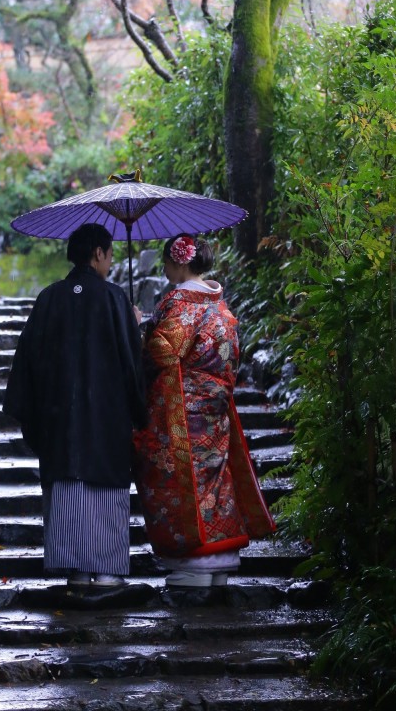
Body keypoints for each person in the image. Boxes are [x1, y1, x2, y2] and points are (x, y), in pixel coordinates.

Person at [3, 222, 146, 595]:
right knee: (104, 488)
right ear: (98, 253)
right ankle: (108, 572)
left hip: (60, 418)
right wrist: (133, 327)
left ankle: (77, 572)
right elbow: (132, 363)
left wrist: (36, 414)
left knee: (68, 486)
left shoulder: (50, 297)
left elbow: (27, 361)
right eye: (110, 254)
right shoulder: (114, 298)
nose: (111, 262)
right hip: (106, 417)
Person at [133, 234, 276, 599]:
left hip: (181, 408)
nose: (165, 269)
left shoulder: (180, 302)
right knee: (215, 479)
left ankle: (193, 563)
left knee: (177, 478)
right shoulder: (218, 304)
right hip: (215, 407)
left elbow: (163, 353)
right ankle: (221, 559)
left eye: (167, 262)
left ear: (180, 261)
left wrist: (140, 328)